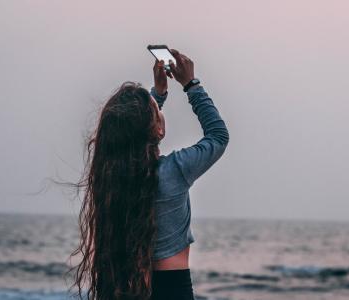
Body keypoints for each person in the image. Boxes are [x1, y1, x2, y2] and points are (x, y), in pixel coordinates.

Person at [68, 49, 229, 300]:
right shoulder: (175, 170)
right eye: (157, 110)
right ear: (159, 129)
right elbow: (218, 136)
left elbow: (135, 136)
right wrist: (191, 85)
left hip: (127, 287)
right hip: (174, 290)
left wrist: (158, 94)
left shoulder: (111, 178)